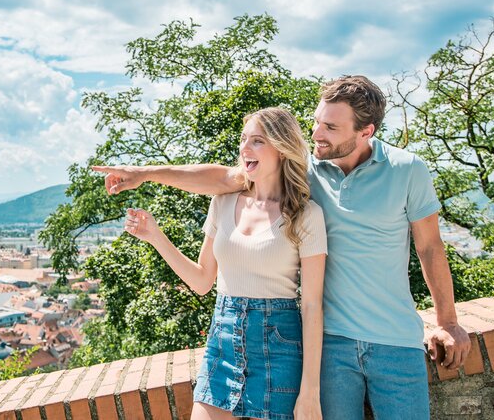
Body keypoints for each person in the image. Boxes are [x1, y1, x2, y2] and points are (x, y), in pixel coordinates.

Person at [94, 75, 471, 419]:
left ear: (365, 131)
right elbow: (222, 178)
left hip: (393, 339)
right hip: (330, 345)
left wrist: (448, 322)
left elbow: (430, 248)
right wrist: (144, 173)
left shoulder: (406, 170)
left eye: (330, 127)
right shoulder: (307, 172)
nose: (318, 134)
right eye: (317, 121)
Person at [122, 107, 326, 420]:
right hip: (223, 339)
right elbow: (203, 280)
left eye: (257, 141)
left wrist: (309, 393)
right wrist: (155, 236)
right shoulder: (223, 202)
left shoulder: (305, 215)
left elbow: (312, 305)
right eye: (244, 139)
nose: (245, 148)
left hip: (278, 347)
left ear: (282, 149)